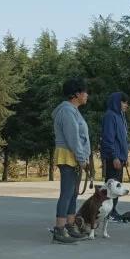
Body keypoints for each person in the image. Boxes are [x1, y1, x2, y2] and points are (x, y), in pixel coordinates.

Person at [51, 77, 92, 244]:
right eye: (85, 92)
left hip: (73, 156)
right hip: (69, 155)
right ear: (76, 94)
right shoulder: (67, 111)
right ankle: (59, 230)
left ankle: (69, 226)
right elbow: (73, 138)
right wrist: (82, 159)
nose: (87, 95)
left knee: (73, 193)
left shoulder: (73, 111)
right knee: (67, 193)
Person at [100, 92, 130, 221]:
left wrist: (125, 156)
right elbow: (108, 138)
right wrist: (114, 156)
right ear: (117, 102)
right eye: (124, 102)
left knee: (118, 185)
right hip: (113, 157)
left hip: (120, 157)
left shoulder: (120, 117)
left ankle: (113, 210)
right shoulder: (110, 116)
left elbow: (123, 140)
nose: (126, 105)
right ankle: (108, 212)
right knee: (111, 186)